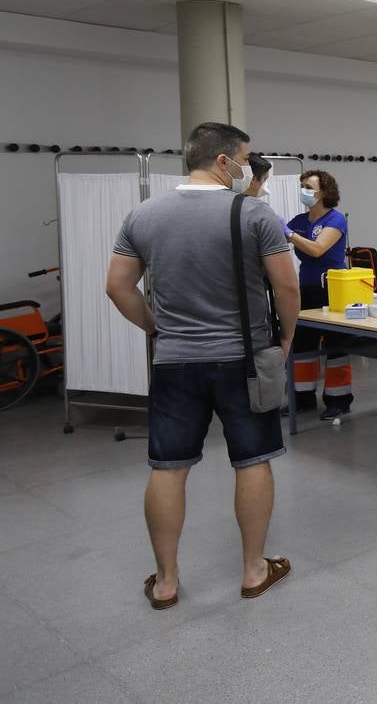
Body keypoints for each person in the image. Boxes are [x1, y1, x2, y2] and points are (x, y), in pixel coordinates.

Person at [105, 122, 300, 610]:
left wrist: (155, 328)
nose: (248, 169)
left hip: (175, 362)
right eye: (246, 160)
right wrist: (287, 339)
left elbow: (117, 287)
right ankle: (255, 570)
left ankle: (166, 581)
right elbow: (287, 288)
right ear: (222, 161)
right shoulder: (254, 214)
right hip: (244, 360)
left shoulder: (143, 214)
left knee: (168, 468)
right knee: (253, 460)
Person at [285, 170, 352, 421]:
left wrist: (289, 234)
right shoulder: (300, 221)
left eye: (309, 186)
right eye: (302, 185)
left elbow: (317, 249)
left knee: (335, 346)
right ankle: (302, 399)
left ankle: (339, 401)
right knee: (302, 345)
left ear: (323, 192)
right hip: (306, 288)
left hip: (332, 289)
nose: (303, 190)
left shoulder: (335, 220)